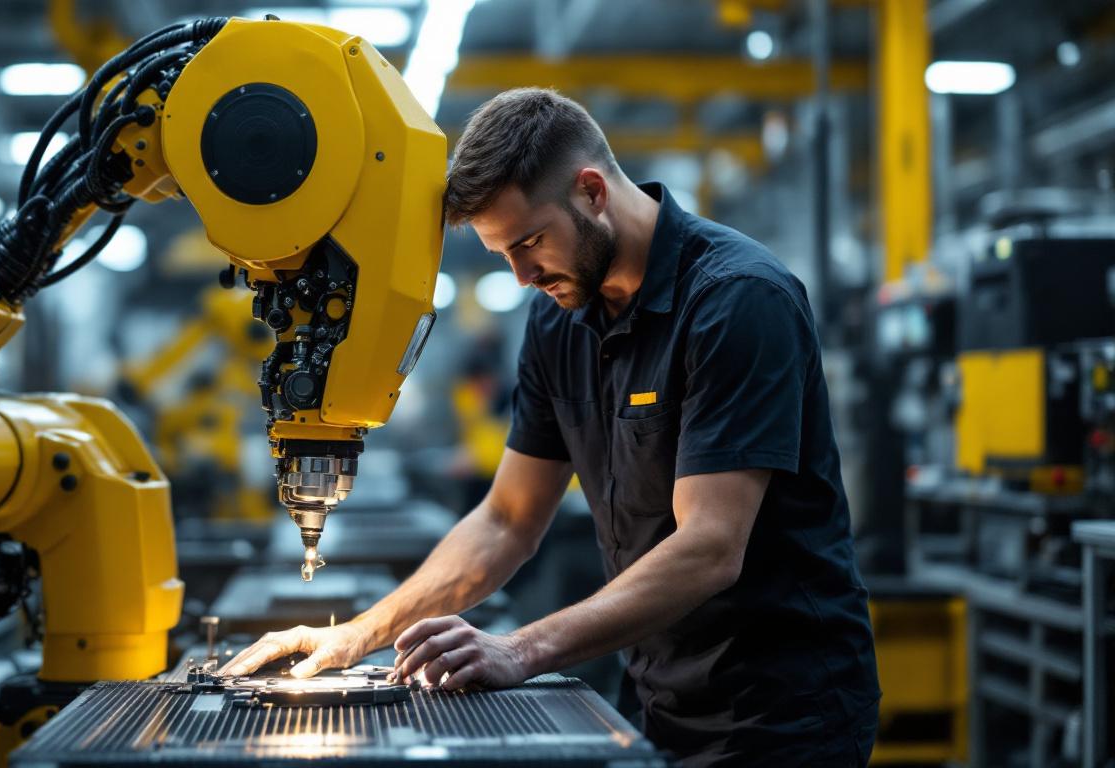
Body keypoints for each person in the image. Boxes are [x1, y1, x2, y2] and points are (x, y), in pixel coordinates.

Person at [220, 88, 880, 767]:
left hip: (784, 715)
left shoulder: (738, 301)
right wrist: (361, 635)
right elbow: (508, 518)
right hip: (657, 696)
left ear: (592, 190)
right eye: (503, 252)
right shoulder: (558, 319)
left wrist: (520, 648)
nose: (522, 275)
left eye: (531, 241)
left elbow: (711, 544)